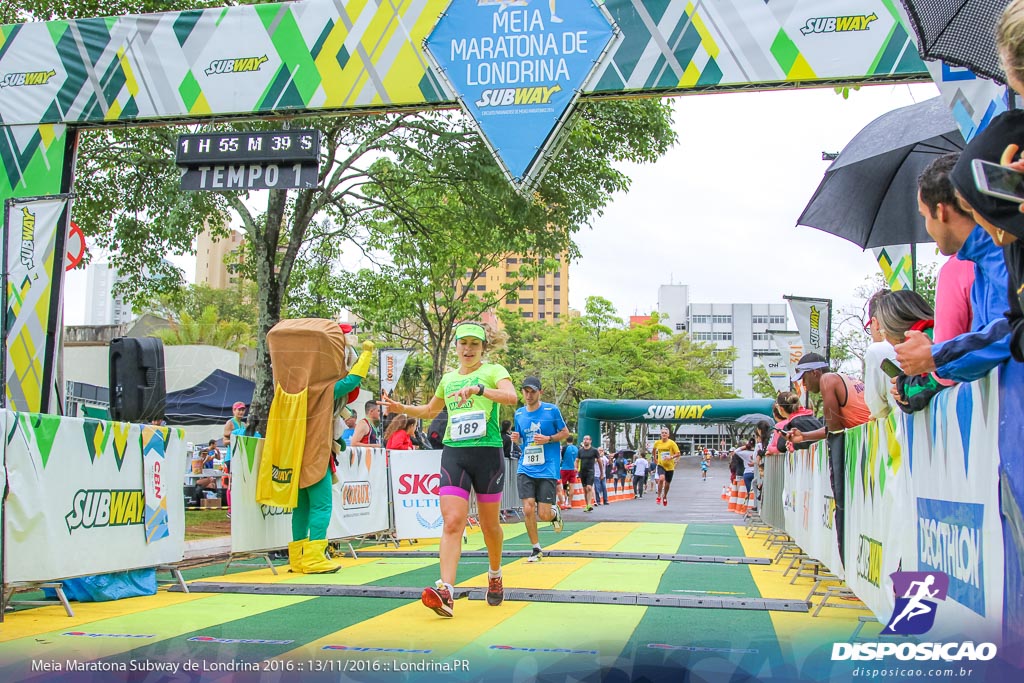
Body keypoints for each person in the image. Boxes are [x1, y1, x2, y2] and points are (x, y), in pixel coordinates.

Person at [380, 321, 516, 617]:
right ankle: (446, 592)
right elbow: (430, 411)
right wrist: (399, 408)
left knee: (490, 526)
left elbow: (511, 397)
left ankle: (494, 575)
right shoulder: (448, 378)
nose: (468, 350)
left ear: (483, 347)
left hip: (487, 454)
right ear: (456, 346)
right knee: (452, 521)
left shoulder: (493, 372)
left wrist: (481, 389)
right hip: (455, 453)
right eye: (463, 344)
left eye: (474, 344)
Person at [259, 319, 374, 574]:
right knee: (321, 505)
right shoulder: (322, 389)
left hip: (292, 455)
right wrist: (366, 354)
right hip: (314, 454)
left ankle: (298, 558)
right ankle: (314, 558)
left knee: (300, 507)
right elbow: (352, 380)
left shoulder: (287, 389)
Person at [787, 352, 871, 565]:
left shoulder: (827, 380)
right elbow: (834, 427)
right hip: (869, 440)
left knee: (843, 510)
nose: (804, 386)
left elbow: (835, 430)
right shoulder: (844, 378)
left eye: (804, 379)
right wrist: (804, 436)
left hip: (869, 445)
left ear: (815, 372)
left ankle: (847, 567)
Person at [511, 376, 569, 560]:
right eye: (525, 391)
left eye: (532, 392)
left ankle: (554, 513)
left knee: (543, 514)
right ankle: (536, 548)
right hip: (526, 466)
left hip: (547, 467)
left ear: (540, 392)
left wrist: (549, 439)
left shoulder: (552, 410)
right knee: (528, 509)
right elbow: (521, 437)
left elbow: (565, 432)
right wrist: (516, 439)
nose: (528, 395)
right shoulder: (519, 413)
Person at [862, 289, 899, 420]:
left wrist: (876, 413)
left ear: (875, 323)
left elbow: (877, 408)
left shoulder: (877, 350)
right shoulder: (923, 339)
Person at [651, 427, 680, 507]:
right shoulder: (657, 443)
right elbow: (653, 450)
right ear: (660, 434)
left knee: (667, 484)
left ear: (668, 435)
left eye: (665, 433)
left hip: (670, 466)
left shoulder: (672, 443)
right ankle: (658, 496)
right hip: (661, 464)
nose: (664, 434)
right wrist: (655, 458)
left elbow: (678, 453)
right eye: (662, 433)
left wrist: (670, 457)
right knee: (661, 479)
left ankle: (665, 496)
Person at [575, 434, 599, 512]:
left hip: (590, 471)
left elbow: (599, 461)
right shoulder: (580, 450)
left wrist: (602, 473)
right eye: (584, 439)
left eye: (587, 439)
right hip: (582, 472)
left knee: (589, 487)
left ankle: (589, 504)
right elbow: (577, 460)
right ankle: (587, 505)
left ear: (590, 441)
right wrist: (575, 468)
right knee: (585, 489)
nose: (585, 440)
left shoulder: (594, 450)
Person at [558, 435, 578, 509]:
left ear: (566, 440)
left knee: (563, 486)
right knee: (571, 486)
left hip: (564, 469)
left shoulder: (564, 448)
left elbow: (561, 457)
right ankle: (569, 503)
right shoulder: (577, 448)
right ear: (573, 440)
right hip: (573, 469)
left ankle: (564, 502)